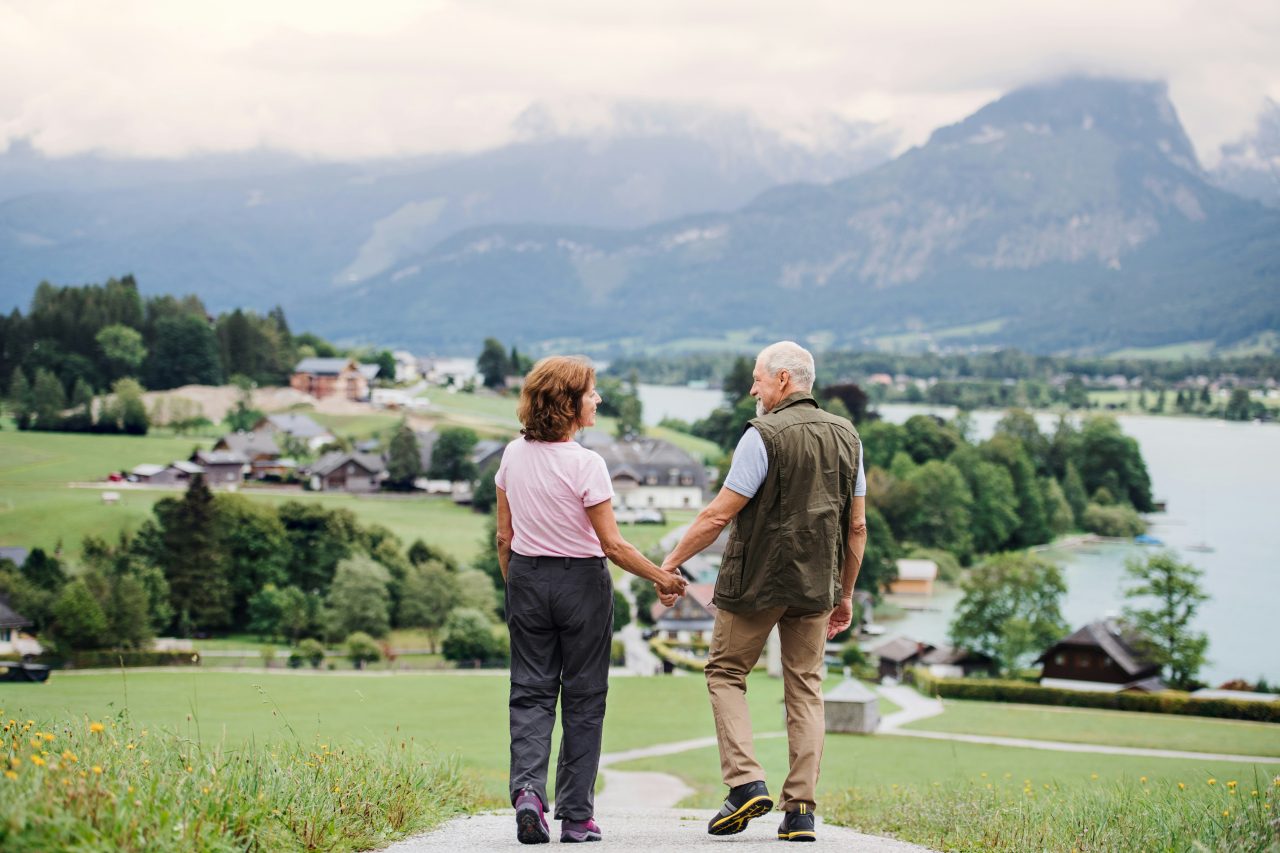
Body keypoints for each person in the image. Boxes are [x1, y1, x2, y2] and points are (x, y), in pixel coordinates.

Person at [658, 341, 866, 843]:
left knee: (726, 672)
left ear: (783, 380)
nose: (753, 388)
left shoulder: (762, 436)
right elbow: (857, 527)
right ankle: (801, 812)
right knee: (806, 688)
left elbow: (717, 515)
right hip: (817, 585)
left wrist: (670, 562)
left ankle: (745, 782)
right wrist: (845, 594)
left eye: (757, 378)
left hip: (756, 583)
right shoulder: (848, 437)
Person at [495, 355, 687, 845]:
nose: (597, 398)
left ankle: (528, 793)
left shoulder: (512, 455)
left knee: (530, 692)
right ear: (569, 403)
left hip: (526, 577)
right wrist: (663, 578)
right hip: (581, 585)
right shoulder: (587, 464)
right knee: (583, 699)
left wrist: (518, 587)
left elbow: (503, 537)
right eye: (590, 392)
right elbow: (613, 545)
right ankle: (577, 818)